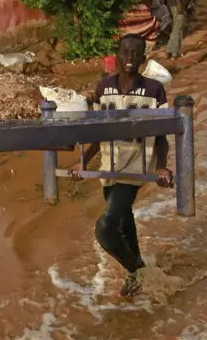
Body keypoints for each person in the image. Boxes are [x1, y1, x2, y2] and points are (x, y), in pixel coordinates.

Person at [70, 34, 174, 298]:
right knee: (123, 220)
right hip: (108, 166)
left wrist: (161, 166)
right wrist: (82, 162)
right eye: (125, 52)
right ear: (116, 55)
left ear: (143, 59)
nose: (130, 58)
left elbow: (162, 135)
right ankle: (137, 273)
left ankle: (136, 269)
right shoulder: (103, 88)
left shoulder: (153, 90)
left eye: (136, 53)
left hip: (136, 168)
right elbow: (96, 132)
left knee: (105, 228)